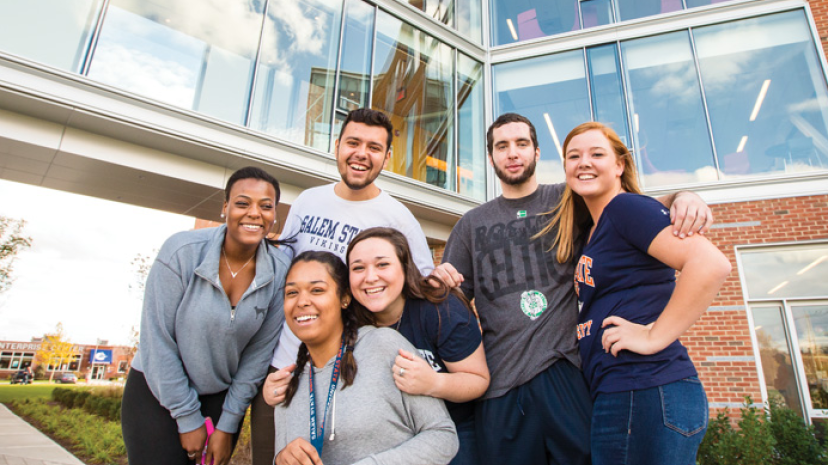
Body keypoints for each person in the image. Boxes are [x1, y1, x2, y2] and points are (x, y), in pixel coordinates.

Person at [432, 113, 715, 465]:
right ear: (490, 158)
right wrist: (439, 283)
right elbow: (452, 304)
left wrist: (683, 195)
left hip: (566, 370)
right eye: (501, 146)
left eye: (521, 144)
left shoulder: (569, 199)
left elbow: (628, 205)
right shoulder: (470, 224)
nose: (512, 153)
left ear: (537, 152)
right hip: (500, 384)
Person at [251, 108, 437, 465]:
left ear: (386, 157)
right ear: (337, 146)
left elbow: (423, 286)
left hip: (351, 374)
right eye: (353, 142)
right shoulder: (308, 201)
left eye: (373, 147)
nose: (361, 154)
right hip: (286, 368)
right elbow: (281, 274)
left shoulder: (398, 217)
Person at [545, 122, 730, 464]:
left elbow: (710, 265)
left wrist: (653, 336)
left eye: (596, 154)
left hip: (644, 387)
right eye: (574, 156)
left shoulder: (624, 208)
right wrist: (678, 196)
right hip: (624, 391)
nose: (583, 162)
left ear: (619, 166)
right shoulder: (600, 226)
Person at [121, 166, 291, 465]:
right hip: (156, 392)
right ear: (225, 208)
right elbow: (157, 340)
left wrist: (227, 424)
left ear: (274, 214)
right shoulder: (181, 251)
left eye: (266, 206)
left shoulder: (280, 270)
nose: (255, 213)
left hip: (221, 399)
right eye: (242, 203)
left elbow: (257, 356)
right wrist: (187, 418)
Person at [274, 251, 458, 465]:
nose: (302, 301)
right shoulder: (287, 384)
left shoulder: (382, 346)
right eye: (292, 293)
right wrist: (281, 459)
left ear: (344, 298)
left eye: (317, 290)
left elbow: (443, 436)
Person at [346, 227, 489, 465]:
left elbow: (478, 380)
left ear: (405, 267)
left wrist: (434, 383)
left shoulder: (440, 309)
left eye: (382, 265)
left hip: (455, 427)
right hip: (389, 434)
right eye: (358, 268)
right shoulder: (348, 321)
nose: (370, 277)